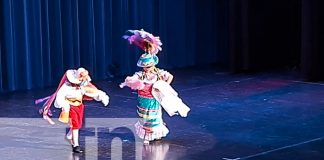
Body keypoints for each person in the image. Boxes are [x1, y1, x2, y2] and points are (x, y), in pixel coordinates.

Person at [121, 29, 190, 144]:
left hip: (154, 99)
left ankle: (156, 133)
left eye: (148, 66)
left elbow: (170, 76)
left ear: (153, 64)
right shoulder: (141, 74)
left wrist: (164, 86)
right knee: (145, 116)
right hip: (143, 100)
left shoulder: (158, 73)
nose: (146, 68)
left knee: (156, 115)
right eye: (144, 66)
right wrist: (132, 82)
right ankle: (146, 135)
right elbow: (133, 80)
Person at [36, 67, 109, 153]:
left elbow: (91, 91)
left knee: (78, 124)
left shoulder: (81, 86)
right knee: (75, 125)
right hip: (71, 106)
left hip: (79, 106)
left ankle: (69, 136)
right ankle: (76, 145)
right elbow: (60, 96)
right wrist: (64, 106)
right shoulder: (66, 86)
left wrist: (101, 96)